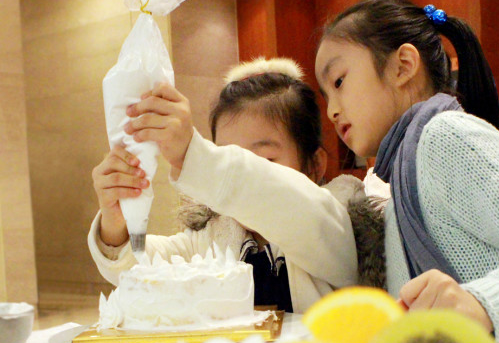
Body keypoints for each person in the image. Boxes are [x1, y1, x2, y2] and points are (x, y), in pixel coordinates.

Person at [315, 0, 499, 343]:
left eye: (339, 81)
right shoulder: (402, 175)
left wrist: (485, 303)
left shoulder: (445, 136)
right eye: (326, 95)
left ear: (403, 66)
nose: (332, 110)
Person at [89, 57, 389, 313]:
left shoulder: (333, 219)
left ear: (314, 166)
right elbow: (142, 269)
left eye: (265, 160)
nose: (247, 170)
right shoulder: (213, 236)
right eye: (227, 155)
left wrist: (195, 156)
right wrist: (117, 223)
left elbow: (298, 208)